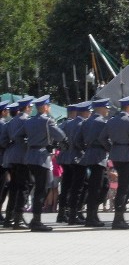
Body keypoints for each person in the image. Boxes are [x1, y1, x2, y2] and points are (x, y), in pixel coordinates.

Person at [14, 95, 67, 232]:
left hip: (30, 156)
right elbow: (60, 135)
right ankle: (36, 221)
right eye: (48, 106)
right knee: (42, 189)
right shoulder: (47, 121)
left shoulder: (29, 121)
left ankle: (34, 219)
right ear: (44, 107)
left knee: (40, 187)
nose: (49, 108)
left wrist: (29, 144)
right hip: (41, 158)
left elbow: (17, 136)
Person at [100, 94, 129, 229]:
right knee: (124, 188)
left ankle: (119, 218)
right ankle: (118, 219)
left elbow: (102, 138)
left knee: (121, 187)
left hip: (116, 155)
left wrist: (112, 148)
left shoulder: (112, 120)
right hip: (128, 155)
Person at [73, 98, 112, 227]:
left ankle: (92, 214)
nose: (108, 110)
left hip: (89, 155)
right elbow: (105, 139)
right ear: (101, 108)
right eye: (106, 108)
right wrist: (108, 148)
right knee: (98, 187)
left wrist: (87, 148)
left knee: (96, 186)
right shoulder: (102, 122)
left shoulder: (86, 122)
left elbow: (77, 140)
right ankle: (91, 216)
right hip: (99, 156)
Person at [2, 97, 33, 229]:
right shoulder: (27, 120)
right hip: (23, 157)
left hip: (11, 157)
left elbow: (4, 140)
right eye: (30, 107)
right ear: (27, 108)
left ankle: (9, 217)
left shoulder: (11, 121)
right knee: (25, 185)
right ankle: (18, 218)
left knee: (14, 187)